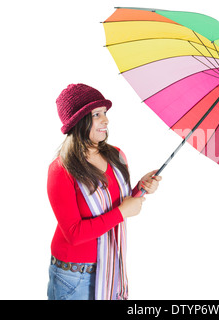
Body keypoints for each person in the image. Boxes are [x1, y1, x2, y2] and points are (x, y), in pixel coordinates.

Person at [47, 83, 161, 300]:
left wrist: (141, 188)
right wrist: (122, 213)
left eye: (105, 113)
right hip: (72, 277)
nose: (106, 120)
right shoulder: (61, 169)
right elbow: (73, 233)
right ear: (79, 121)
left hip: (109, 269)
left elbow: (118, 203)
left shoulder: (116, 156)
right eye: (97, 114)